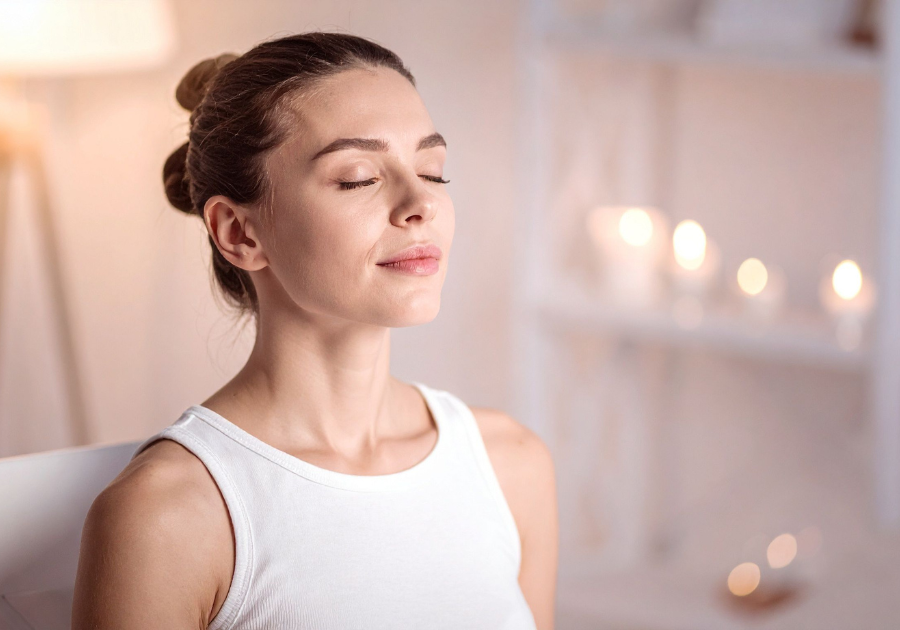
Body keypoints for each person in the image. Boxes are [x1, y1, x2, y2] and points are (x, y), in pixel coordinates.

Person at [71, 31, 558, 630]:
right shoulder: (169, 515)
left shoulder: (510, 464)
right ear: (240, 234)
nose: (420, 203)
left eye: (433, 171)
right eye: (357, 178)